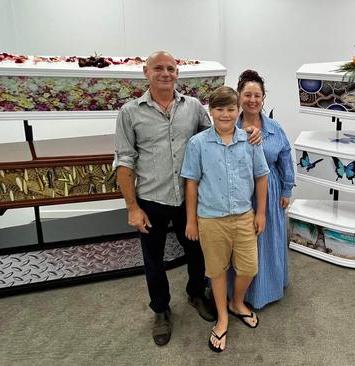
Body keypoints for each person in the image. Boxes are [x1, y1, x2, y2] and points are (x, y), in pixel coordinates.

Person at [114, 51, 261, 346]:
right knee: (153, 260)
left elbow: (218, 136)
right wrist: (132, 207)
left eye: (170, 68)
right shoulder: (129, 112)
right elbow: (124, 160)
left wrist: (249, 130)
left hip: (188, 199)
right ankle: (161, 310)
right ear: (146, 72)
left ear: (177, 73)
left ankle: (196, 293)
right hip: (151, 199)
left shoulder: (193, 107)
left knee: (197, 254)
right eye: (158, 68)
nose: (165, 73)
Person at [181, 86, 269, 353]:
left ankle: (237, 302)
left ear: (238, 110)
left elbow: (261, 176)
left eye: (231, 109)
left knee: (249, 268)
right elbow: (192, 183)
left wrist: (261, 212)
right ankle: (222, 317)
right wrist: (191, 221)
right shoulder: (198, 144)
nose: (225, 114)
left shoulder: (250, 141)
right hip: (210, 220)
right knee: (216, 271)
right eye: (219, 109)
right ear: (211, 111)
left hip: (244, 216)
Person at [234, 69, 295, 309]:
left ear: (263, 98)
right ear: (239, 96)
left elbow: (285, 157)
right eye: (247, 94)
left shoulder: (275, 128)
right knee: (240, 242)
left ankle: (266, 288)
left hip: (269, 191)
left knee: (268, 239)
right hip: (239, 191)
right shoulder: (230, 126)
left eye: (257, 95)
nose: (252, 100)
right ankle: (238, 292)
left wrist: (287, 190)